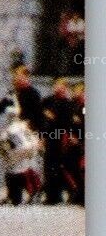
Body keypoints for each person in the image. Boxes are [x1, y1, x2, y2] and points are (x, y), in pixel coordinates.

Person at [38, 77, 76, 205]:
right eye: (57, 86)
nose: (58, 89)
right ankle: (51, 195)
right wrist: (42, 136)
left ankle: (59, 194)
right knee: (48, 166)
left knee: (58, 166)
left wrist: (53, 117)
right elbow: (43, 120)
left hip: (60, 136)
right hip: (50, 136)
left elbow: (66, 122)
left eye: (61, 87)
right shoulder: (48, 100)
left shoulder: (68, 103)